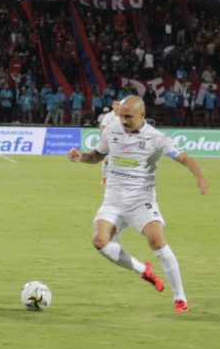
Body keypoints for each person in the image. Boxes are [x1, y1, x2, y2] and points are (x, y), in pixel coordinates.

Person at [67, 96, 209, 313]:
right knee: (99, 241)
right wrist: (82, 157)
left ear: (142, 115)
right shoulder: (111, 131)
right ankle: (144, 270)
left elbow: (184, 158)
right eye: (121, 116)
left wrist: (200, 177)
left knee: (157, 241)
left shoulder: (155, 138)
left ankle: (179, 296)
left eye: (129, 117)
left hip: (141, 200)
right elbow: (97, 156)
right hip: (113, 200)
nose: (124, 121)